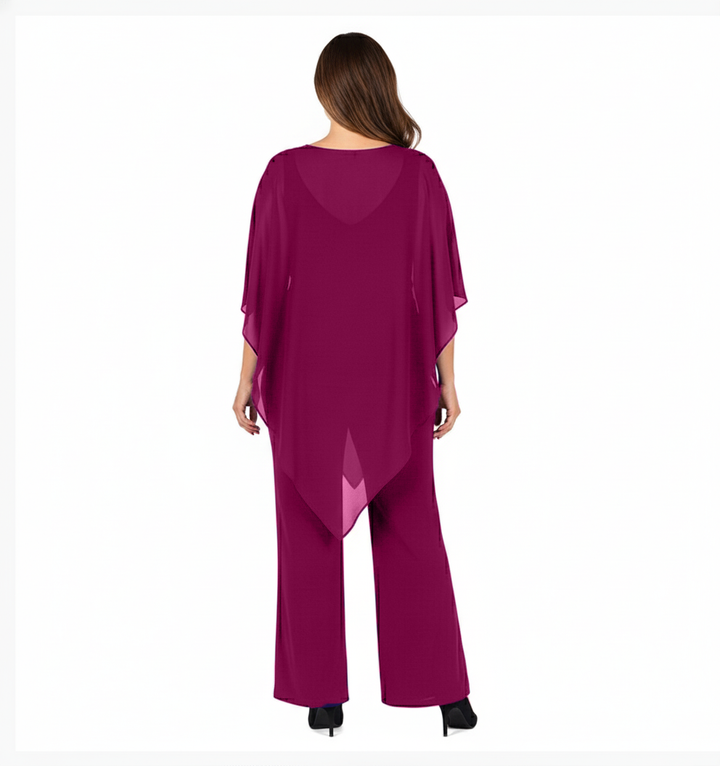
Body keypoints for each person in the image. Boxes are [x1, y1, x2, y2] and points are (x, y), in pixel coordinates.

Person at [232, 32, 478, 738]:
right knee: (412, 530)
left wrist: (245, 379)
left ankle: (322, 699)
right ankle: (448, 699)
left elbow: (262, 292)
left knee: (307, 532)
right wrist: (449, 382)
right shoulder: (419, 175)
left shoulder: (282, 174)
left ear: (325, 89)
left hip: (305, 384)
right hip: (393, 381)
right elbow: (438, 286)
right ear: (380, 87)